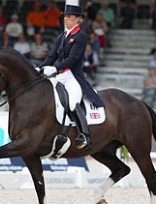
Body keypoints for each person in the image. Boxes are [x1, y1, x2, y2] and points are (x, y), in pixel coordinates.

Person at [37, 3, 104, 150]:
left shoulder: (80, 36)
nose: (66, 19)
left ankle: (84, 136)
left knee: (73, 102)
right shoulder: (61, 37)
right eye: (65, 16)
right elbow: (51, 56)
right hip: (60, 75)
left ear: (78, 19)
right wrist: (39, 69)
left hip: (73, 75)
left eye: (70, 16)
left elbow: (73, 59)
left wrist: (54, 68)